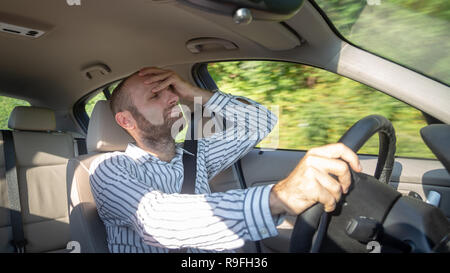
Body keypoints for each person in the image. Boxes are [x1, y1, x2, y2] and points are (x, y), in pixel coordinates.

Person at [89, 67, 362, 253]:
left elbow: (262, 122)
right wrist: (279, 197)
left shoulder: (196, 155)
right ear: (126, 120)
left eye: (171, 90)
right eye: (156, 95)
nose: (173, 97)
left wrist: (191, 91)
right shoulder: (109, 168)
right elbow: (157, 220)